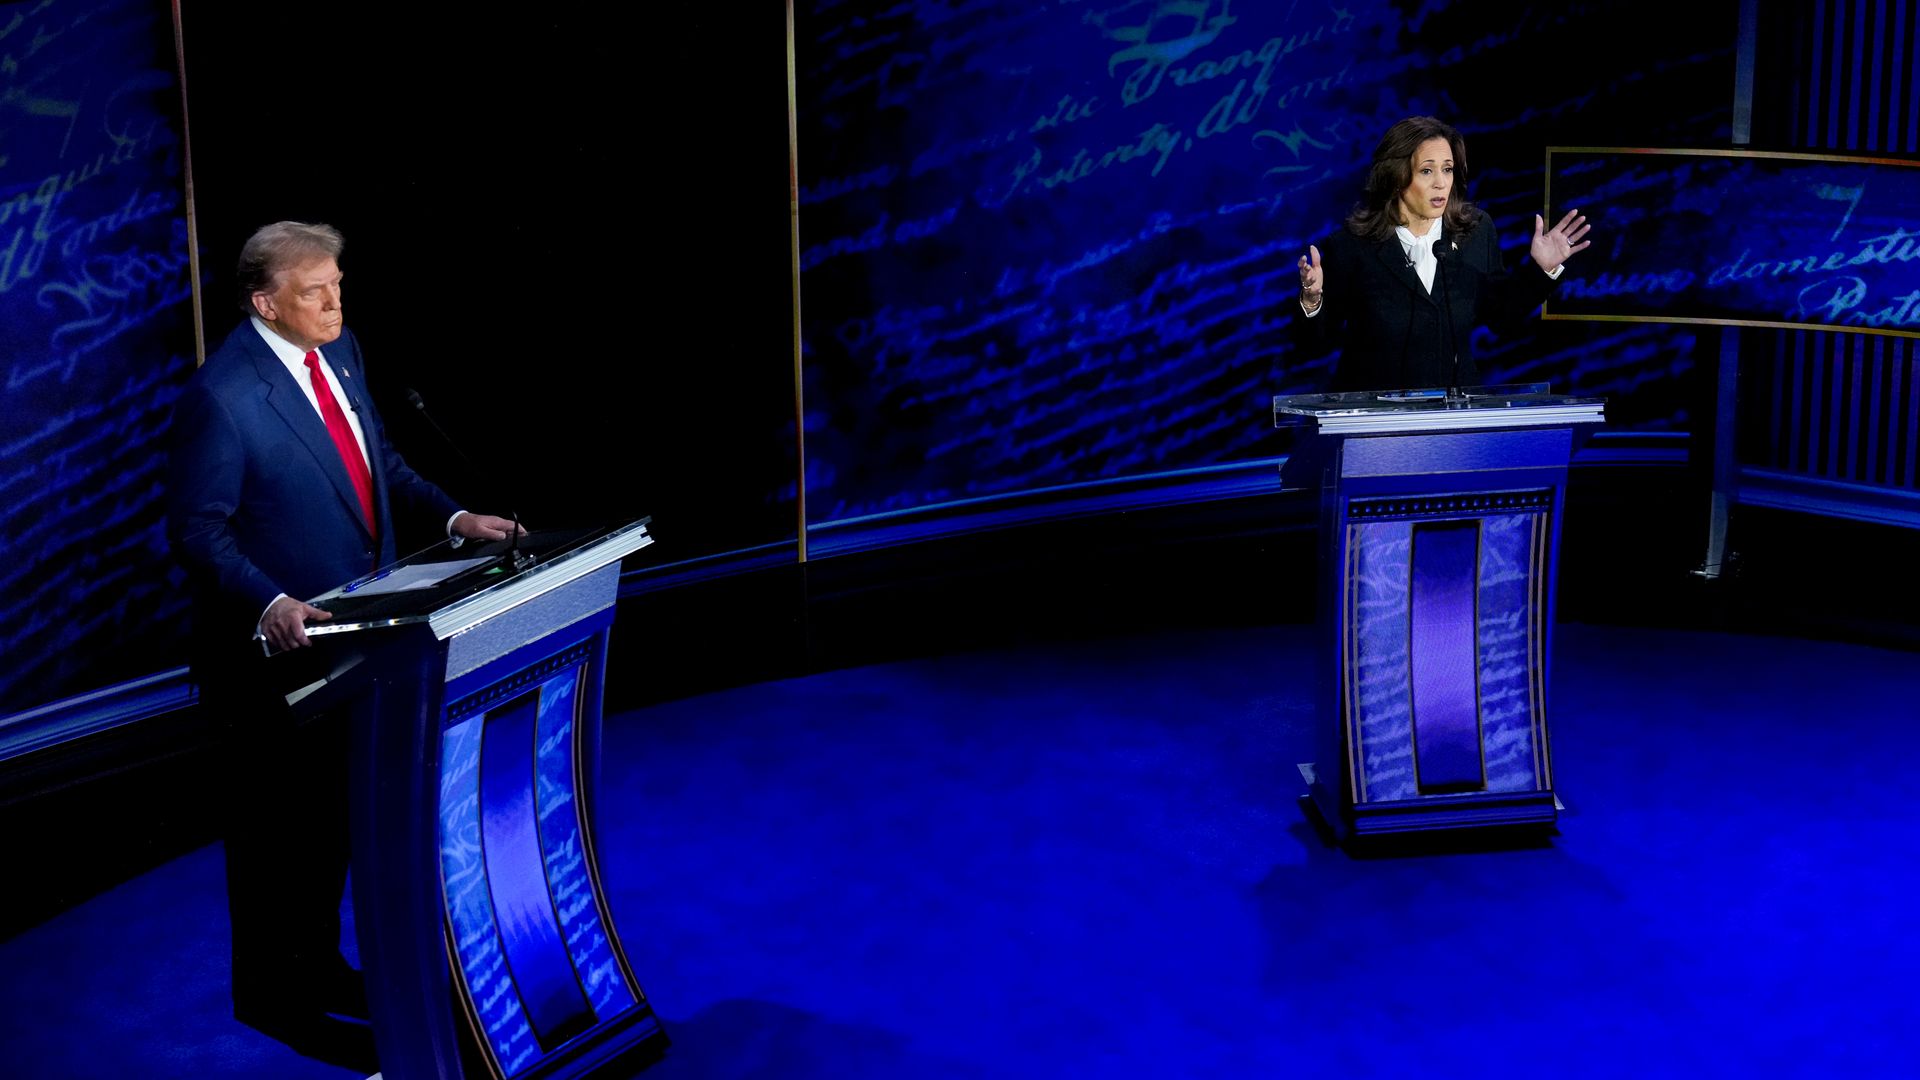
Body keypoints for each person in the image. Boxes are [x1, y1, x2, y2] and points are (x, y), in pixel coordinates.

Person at [166, 221, 519, 1064]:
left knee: (331, 826)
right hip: (272, 666)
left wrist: (455, 517)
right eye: (315, 289)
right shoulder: (222, 397)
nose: (335, 301)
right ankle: (273, 999)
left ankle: (321, 970)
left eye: (338, 284)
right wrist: (272, 602)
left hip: (368, 646)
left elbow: (380, 467)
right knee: (276, 840)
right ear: (265, 302)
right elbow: (197, 532)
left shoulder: (344, 349)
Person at [1293, 116, 1592, 391]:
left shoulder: (1474, 232)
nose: (1441, 182)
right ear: (1396, 177)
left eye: (1447, 169)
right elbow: (1314, 345)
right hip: (1375, 423)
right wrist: (1312, 300)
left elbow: (1501, 316)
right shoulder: (1351, 246)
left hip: (1453, 417)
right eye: (1427, 171)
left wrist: (1540, 270)